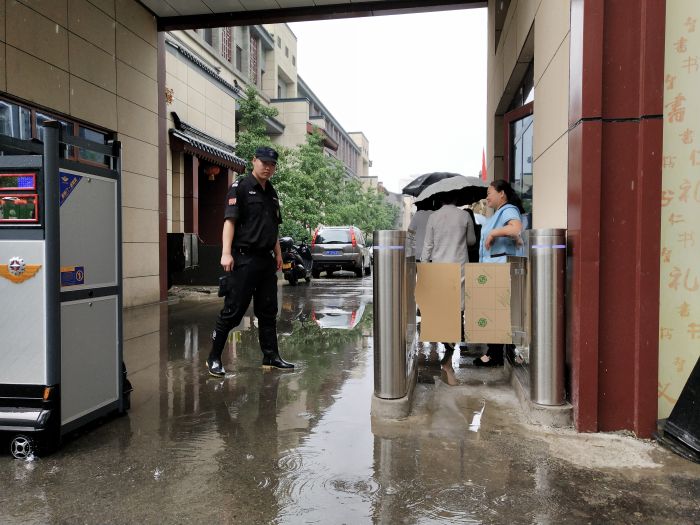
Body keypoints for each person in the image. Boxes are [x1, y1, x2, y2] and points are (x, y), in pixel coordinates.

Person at [206, 146, 295, 377]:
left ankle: (271, 356)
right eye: (264, 162)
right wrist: (226, 253)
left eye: (272, 165)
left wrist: (278, 254)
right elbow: (229, 222)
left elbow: (273, 227)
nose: (268, 168)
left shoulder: (271, 192)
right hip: (243, 258)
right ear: (254, 161)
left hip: (266, 260)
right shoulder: (241, 187)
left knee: (268, 311)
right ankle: (213, 357)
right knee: (233, 312)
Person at [421, 192, 477, 368]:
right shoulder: (465, 215)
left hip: (440, 266)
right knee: (458, 304)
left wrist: (424, 266)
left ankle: (446, 340)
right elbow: (471, 241)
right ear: (457, 198)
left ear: (441, 199)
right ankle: (454, 337)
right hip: (459, 265)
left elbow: (428, 244)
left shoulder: (433, 217)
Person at [474, 179, 525, 367]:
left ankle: (496, 355)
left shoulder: (508, 210)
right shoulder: (499, 213)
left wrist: (493, 233)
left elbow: (516, 228)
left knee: (498, 312)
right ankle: (501, 353)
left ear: (501, 193)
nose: (487, 197)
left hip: (500, 269)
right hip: (494, 268)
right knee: (498, 312)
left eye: (489, 193)